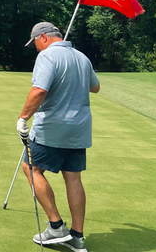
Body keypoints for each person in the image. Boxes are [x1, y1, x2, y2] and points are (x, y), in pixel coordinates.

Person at [16, 22, 100, 252]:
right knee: (73, 178)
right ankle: (77, 237)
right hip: (80, 127)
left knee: (31, 168)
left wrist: (23, 118)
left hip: (53, 126)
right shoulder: (82, 57)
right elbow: (95, 87)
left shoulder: (46, 56)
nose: (35, 47)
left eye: (34, 42)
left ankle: (56, 226)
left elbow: (39, 90)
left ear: (43, 37)